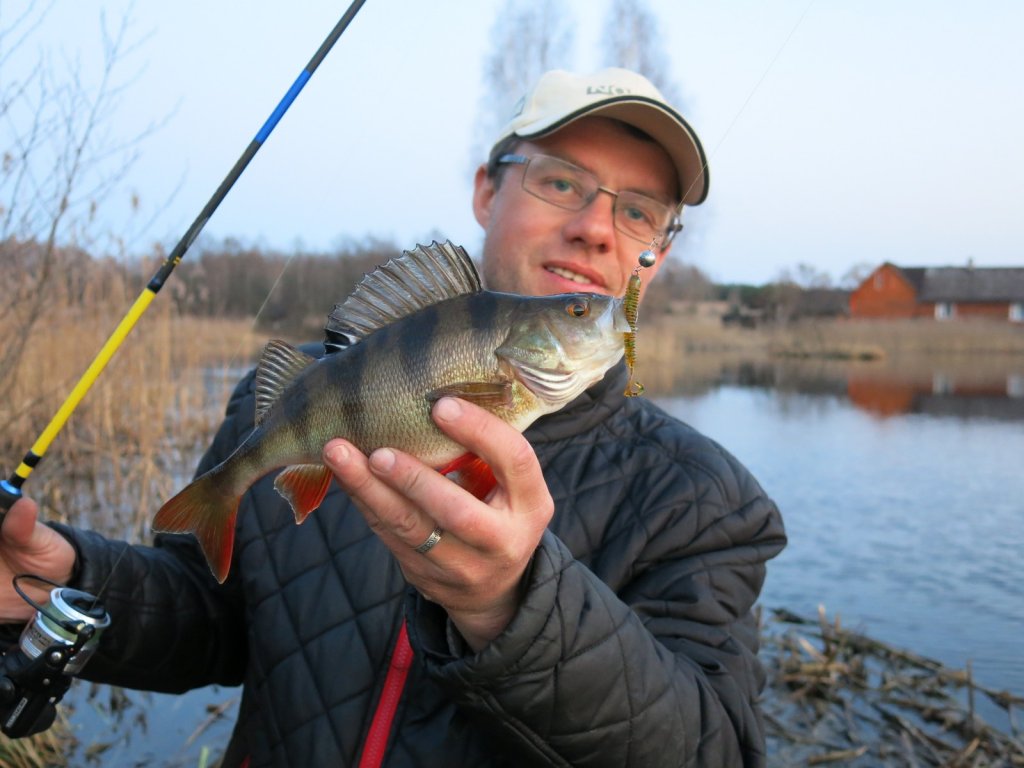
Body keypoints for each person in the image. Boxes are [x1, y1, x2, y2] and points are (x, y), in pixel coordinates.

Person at [0, 68, 786, 766]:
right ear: (487, 189)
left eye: (641, 211)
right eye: (561, 182)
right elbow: (214, 622)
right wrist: (61, 578)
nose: (595, 226)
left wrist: (514, 607)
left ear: (658, 252)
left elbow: (712, 746)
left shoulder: (705, 502)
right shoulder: (286, 396)